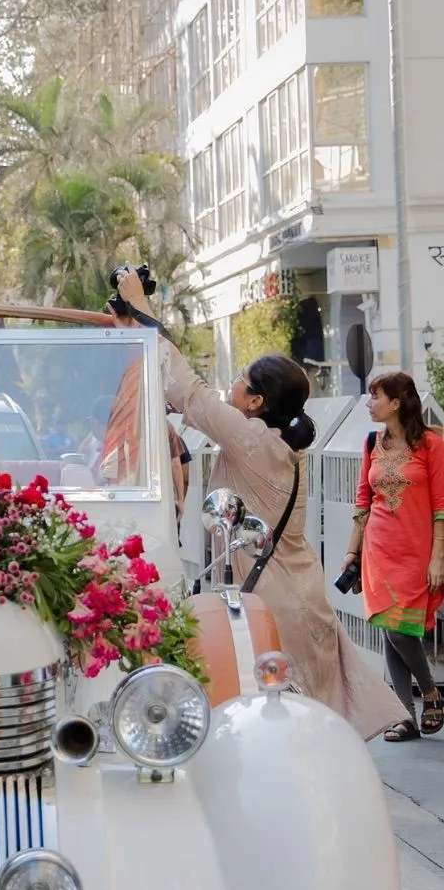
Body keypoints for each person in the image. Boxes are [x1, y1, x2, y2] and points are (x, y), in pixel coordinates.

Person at [112, 267, 405, 740]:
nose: (231, 386)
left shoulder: (250, 439)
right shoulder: (276, 445)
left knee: (278, 732)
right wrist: (137, 327)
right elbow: (184, 395)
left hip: (272, 609)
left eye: (240, 381)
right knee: (313, 733)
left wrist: (144, 312)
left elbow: (190, 391)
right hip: (301, 599)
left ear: (255, 402)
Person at [343, 372, 444, 742]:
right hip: (378, 551)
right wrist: (352, 551)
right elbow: (362, 502)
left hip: (416, 552)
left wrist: (438, 558)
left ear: (397, 403)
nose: (370, 404)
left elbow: (441, 507)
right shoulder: (371, 443)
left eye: (376, 397)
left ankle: (429, 693)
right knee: (389, 628)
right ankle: (406, 715)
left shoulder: (431, 444)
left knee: (400, 630)